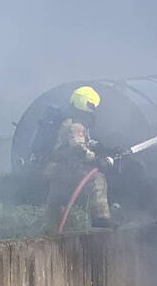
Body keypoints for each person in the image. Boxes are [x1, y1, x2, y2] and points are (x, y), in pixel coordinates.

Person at [45, 86, 116, 231]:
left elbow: (82, 142)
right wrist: (96, 159)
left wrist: (101, 147)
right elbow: (78, 149)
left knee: (57, 203)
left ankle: (51, 228)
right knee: (97, 179)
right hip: (66, 169)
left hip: (58, 169)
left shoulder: (71, 123)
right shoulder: (76, 125)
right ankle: (101, 218)